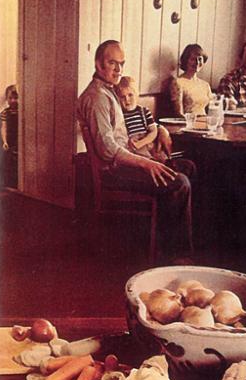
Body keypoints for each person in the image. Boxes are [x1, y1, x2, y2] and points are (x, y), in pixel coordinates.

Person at [77, 40, 193, 258]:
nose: (119, 69)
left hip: (125, 163)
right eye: (112, 63)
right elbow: (107, 149)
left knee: (187, 168)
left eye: (121, 63)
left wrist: (159, 129)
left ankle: (162, 241)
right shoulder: (97, 97)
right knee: (179, 182)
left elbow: (135, 119)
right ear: (98, 64)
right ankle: (175, 255)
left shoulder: (109, 91)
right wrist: (146, 163)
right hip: (114, 172)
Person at [115, 76, 171, 161]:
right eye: (122, 97)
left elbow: (154, 130)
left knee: (161, 155)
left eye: (130, 95)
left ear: (136, 94)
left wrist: (143, 142)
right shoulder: (120, 115)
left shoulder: (144, 111)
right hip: (133, 146)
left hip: (147, 141)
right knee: (146, 158)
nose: (127, 100)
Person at [168, 43, 214, 116]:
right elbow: (179, 114)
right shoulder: (178, 82)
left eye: (200, 59)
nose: (197, 62)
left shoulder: (205, 85)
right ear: (186, 61)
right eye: (193, 59)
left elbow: (212, 109)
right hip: (189, 121)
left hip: (205, 120)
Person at [0, 85, 19, 188]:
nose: (13, 100)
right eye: (10, 98)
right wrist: (5, 141)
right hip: (10, 139)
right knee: (9, 160)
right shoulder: (5, 113)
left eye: (16, 98)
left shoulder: (22, 110)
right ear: (6, 99)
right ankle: (9, 181)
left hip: (19, 138)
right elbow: (3, 127)